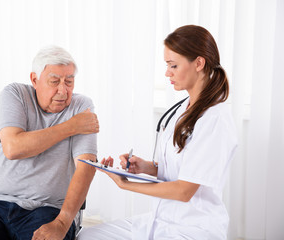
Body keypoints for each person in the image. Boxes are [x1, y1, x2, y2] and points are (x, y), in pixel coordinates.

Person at [78, 25, 238, 240]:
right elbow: (181, 166)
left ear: (199, 63)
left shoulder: (215, 119)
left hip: (193, 229)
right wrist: (145, 167)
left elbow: (184, 190)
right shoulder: (184, 109)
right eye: (167, 65)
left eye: (173, 65)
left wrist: (128, 185)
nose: (167, 73)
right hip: (161, 220)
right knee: (88, 236)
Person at [0, 45, 99, 240]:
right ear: (35, 80)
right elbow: (13, 148)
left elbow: (86, 166)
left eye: (69, 81)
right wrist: (71, 126)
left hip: (47, 210)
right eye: (54, 81)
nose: (63, 90)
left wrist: (61, 223)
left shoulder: (81, 106)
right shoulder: (15, 94)